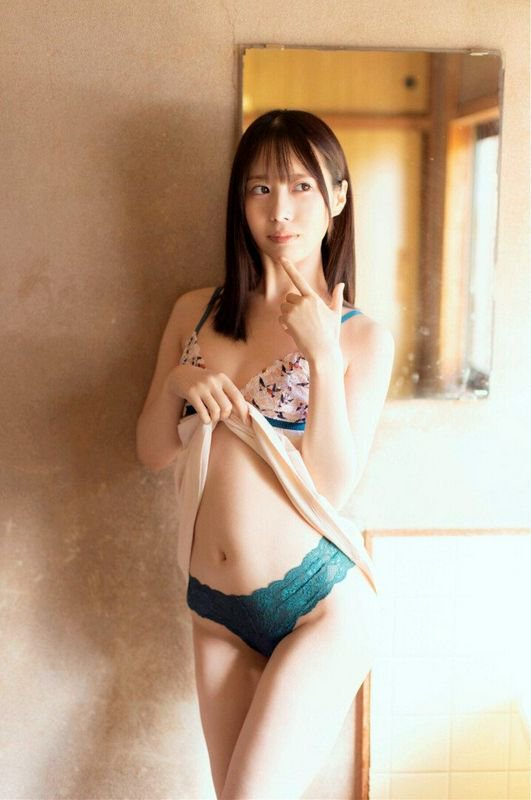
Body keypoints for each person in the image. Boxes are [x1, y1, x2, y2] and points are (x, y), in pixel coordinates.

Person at [136, 109, 394, 800]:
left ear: (337, 198)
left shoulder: (362, 337)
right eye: (260, 188)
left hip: (316, 604)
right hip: (213, 612)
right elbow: (153, 451)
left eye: (301, 186)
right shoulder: (195, 311)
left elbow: (330, 487)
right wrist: (178, 383)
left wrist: (321, 352)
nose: (279, 210)